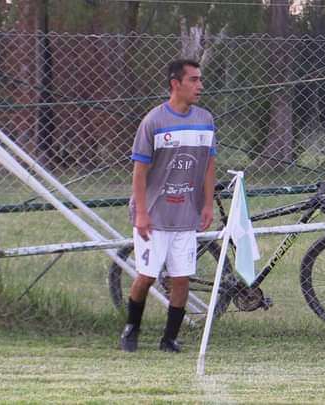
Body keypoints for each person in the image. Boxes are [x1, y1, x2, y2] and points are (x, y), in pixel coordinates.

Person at [120, 59, 216, 353]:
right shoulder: (154, 121)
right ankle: (131, 331)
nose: (200, 85)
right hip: (153, 216)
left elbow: (210, 164)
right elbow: (139, 172)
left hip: (185, 216)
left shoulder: (205, 120)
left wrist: (207, 204)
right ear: (176, 84)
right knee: (146, 276)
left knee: (181, 279)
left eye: (200, 80)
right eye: (194, 80)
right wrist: (142, 213)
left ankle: (169, 339)